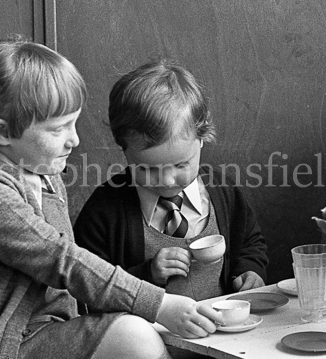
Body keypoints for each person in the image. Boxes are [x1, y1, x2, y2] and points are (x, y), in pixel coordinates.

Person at [0, 38, 219, 359]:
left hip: (48, 346)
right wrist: (160, 305)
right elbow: (63, 260)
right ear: (2, 131)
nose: (75, 140)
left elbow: (61, 292)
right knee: (134, 334)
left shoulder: (44, 174)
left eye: (74, 123)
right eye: (59, 129)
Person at [74, 59, 268, 300]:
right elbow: (87, 283)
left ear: (202, 139)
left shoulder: (223, 191)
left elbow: (250, 241)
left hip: (223, 332)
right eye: (147, 169)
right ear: (124, 149)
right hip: (144, 335)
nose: (166, 180)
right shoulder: (105, 210)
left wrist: (249, 270)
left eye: (180, 165)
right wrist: (148, 274)